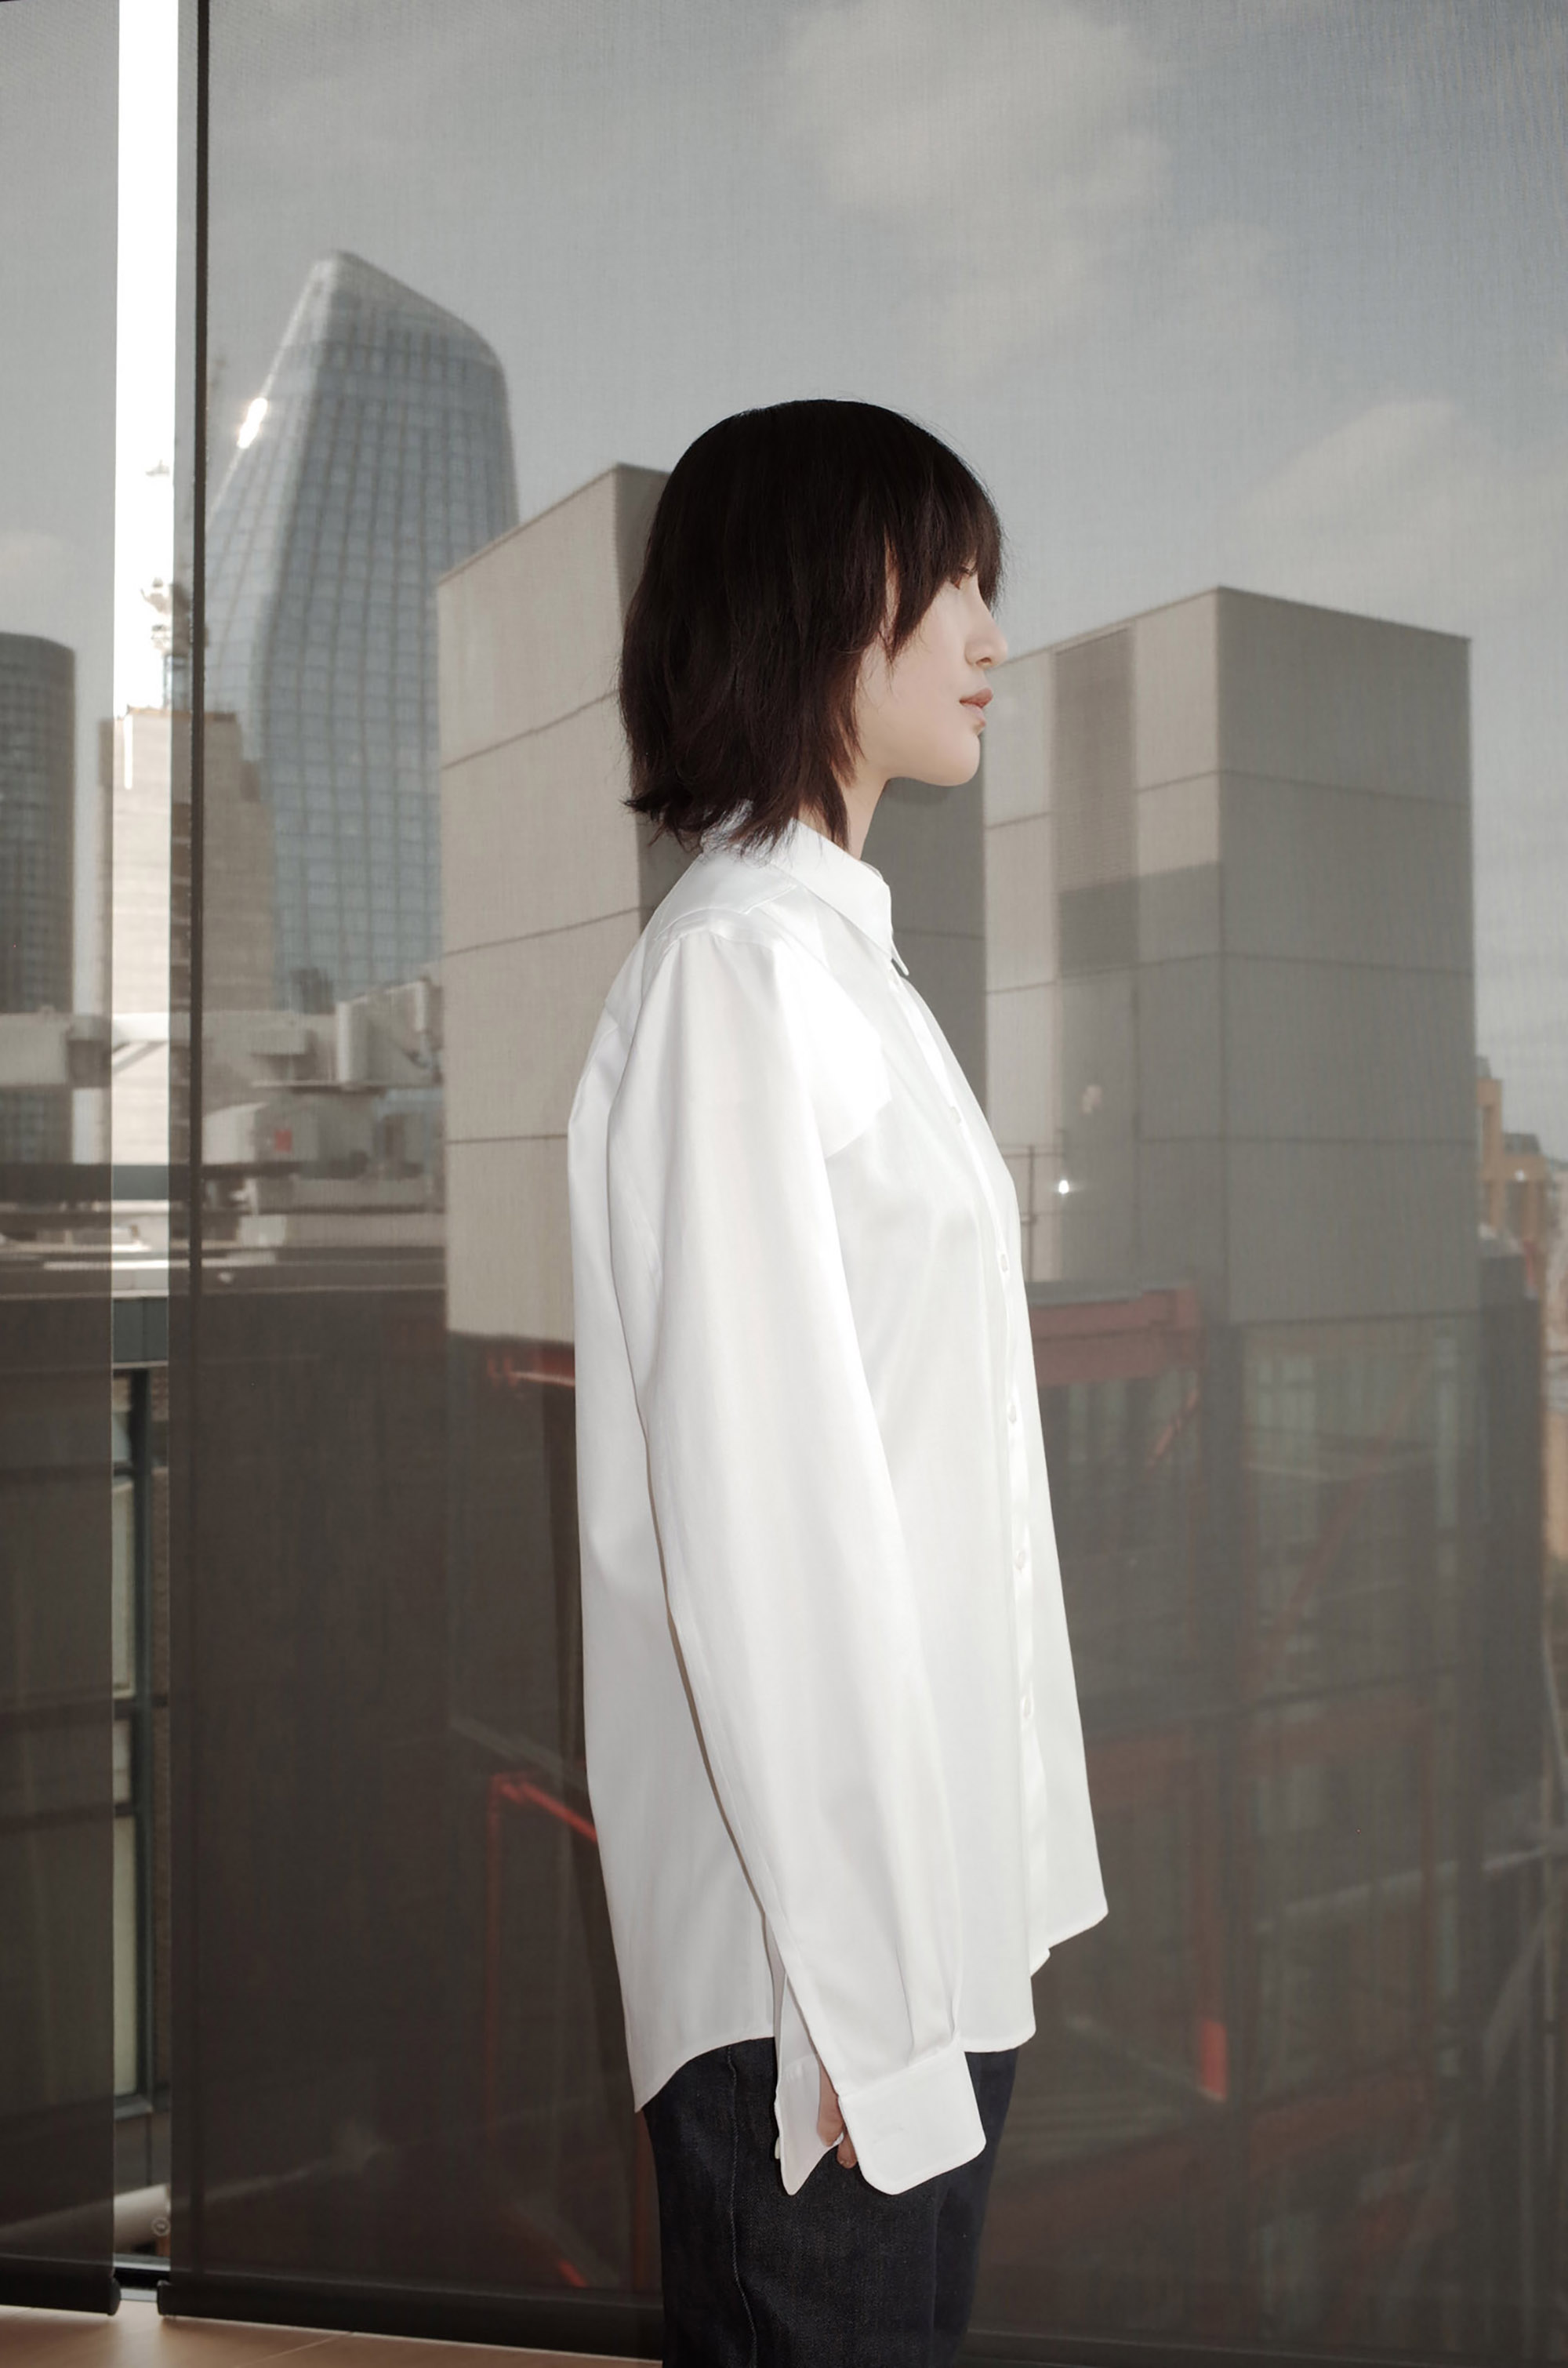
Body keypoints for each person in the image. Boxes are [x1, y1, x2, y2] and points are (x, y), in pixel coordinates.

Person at [567, 398, 1106, 2366]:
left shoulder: (843, 972)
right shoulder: (738, 977)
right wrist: (864, 2021)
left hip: (919, 1948)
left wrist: (950, 1955)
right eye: (946, 580)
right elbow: (767, 1542)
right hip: (812, 1998)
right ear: (816, 597)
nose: (988, 633)